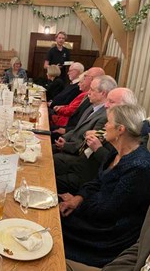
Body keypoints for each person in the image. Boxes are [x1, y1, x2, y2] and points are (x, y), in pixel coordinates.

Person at [60, 104, 150, 268]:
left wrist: (79, 202)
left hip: (107, 233)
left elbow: (108, 210)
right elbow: (97, 181)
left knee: (55, 223)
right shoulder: (117, 152)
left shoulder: (140, 166)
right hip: (96, 212)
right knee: (54, 211)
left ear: (120, 129)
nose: (104, 126)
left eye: (108, 122)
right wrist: (79, 197)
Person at [55, 87, 138, 194]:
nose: (106, 105)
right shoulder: (111, 121)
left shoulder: (126, 132)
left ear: (126, 107)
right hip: (81, 164)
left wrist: (98, 148)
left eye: (111, 102)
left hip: (89, 177)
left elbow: (116, 165)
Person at [66, 205, 150, 270]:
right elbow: (140, 247)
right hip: (127, 267)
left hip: (107, 238)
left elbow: (109, 208)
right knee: (59, 265)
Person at [51, 67, 105, 143]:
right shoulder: (89, 99)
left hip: (73, 137)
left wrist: (66, 135)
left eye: (86, 76)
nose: (80, 83)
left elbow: (86, 134)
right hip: (70, 131)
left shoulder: (94, 101)